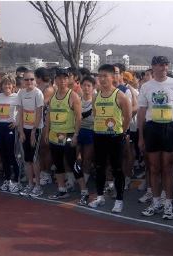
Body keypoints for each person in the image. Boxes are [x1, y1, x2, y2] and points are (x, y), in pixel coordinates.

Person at [138, 56, 173, 220]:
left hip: (171, 128)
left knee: (168, 167)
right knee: (154, 167)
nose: (163, 67)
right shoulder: (146, 86)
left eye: (166, 64)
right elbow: (142, 112)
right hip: (152, 128)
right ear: (153, 67)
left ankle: (168, 203)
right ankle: (156, 201)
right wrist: (140, 136)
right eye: (159, 64)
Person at [88, 64, 131, 213]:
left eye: (105, 76)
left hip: (115, 137)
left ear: (113, 77)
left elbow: (128, 116)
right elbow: (95, 113)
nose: (102, 79)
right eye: (100, 76)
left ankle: (119, 200)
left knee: (117, 169)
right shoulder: (96, 95)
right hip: (99, 135)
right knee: (99, 167)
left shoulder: (120, 95)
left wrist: (121, 132)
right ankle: (99, 197)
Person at [44, 68, 87, 204]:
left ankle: (84, 191)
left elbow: (79, 118)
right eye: (59, 78)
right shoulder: (53, 96)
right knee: (58, 163)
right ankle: (62, 190)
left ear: (68, 80)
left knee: (72, 163)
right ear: (55, 80)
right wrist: (46, 132)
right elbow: (49, 117)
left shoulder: (73, 96)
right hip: (54, 135)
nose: (62, 81)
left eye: (65, 78)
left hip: (68, 135)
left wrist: (75, 135)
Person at [17, 70, 44, 197]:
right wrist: (21, 130)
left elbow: (39, 113)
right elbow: (20, 112)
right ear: (23, 81)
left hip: (36, 129)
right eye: (26, 79)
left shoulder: (38, 94)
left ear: (35, 80)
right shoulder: (21, 93)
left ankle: (38, 185)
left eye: (31, 79)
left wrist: (33, 131)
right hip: (24, 129)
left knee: (34, 158)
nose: (29, 82)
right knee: (26, 158)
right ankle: (30, 184)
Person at [0, 74, 21, 192]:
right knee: (3, 154)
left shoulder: (17, 97)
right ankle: (7, 179)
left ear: (13, 86)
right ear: (1, 86)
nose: (7, 86)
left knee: (12, 154)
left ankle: (16, 179)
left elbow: (21, 110)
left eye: (9, 84)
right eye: (5, 84)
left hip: (10, 127)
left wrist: (16, 122)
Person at [34, 68, 55, 186]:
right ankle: (42, 172)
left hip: (46, 121)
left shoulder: (49, 89)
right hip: (38, 120)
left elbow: (41, 103)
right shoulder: (39, 88)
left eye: (35, 77)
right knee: (41, 149)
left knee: (45, 148)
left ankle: (47, 173)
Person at [77, 75, 96, 186]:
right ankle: (76, 177)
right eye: (84, 85)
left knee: (87, 158)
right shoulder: (77, 100)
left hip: (90, 131)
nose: (86, 88)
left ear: (93, 87)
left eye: (89, 86)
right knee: (77, 157)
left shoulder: (96, 100)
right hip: (78, 131)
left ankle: (85, 178)